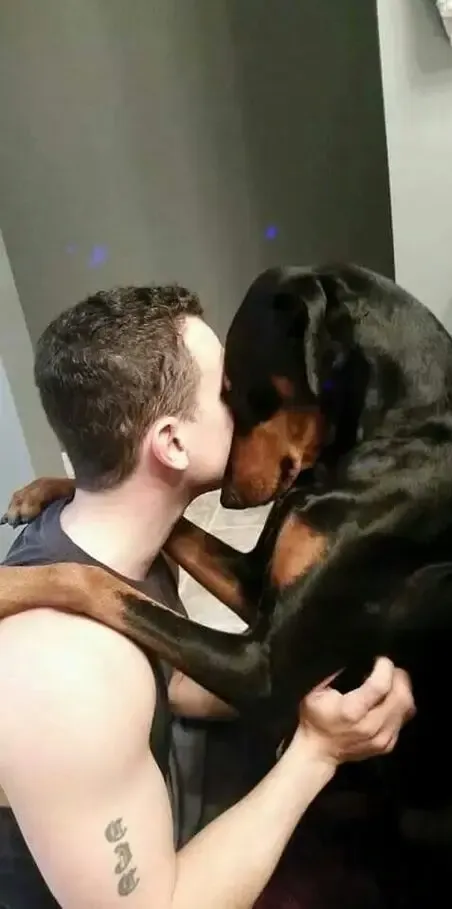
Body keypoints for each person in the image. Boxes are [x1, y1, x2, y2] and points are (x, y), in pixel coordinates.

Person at [0, 285, 415, 909]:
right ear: (172, 444)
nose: (247, 403)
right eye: (227, 393)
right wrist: (318, 751)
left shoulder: (122, 543)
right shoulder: (63, 673)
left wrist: (305, 687)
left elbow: (168, 684)